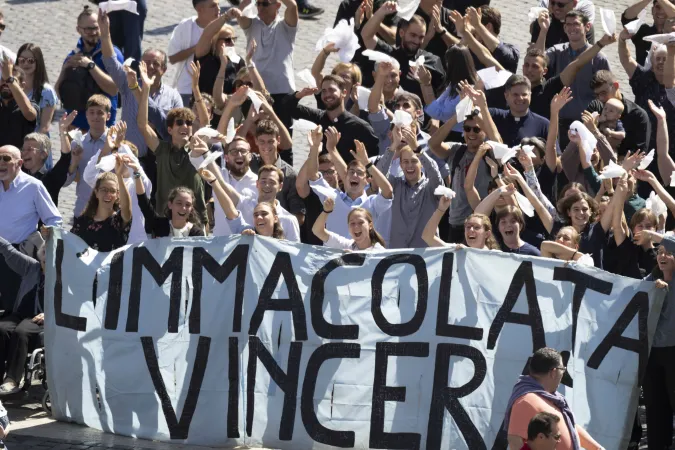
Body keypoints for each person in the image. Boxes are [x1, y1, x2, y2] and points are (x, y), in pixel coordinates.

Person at [98, 10, 183, 162]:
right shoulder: (128, 82)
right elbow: (110, 62)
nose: (150, 67)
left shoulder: (173, 96)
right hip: (129, 157)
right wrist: (105, 34)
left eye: (155, 64)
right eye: (146, 63)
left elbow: (177, 127)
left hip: (159, 160)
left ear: (164, 70)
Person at [137, 61, 208, 225]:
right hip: (165, 221)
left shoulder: (197, 148)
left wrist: (195, 88)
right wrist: (146, 89)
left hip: (196, 221)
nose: (185, 126)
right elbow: (142, 124)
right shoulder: (161, 149)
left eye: (189, 123)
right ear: (169, 129)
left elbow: (204, 123)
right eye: (180, 123)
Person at [504, 347, 603, 450]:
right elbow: (514, 441)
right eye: (563, 369)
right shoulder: (526, 401)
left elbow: (570, 427)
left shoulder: (552, 399)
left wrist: (597, 448)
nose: (563, 373)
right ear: (553, 372)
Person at [235, 0, 299, 134]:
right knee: (255, 136)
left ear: (278, 5)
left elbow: (293, 5)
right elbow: (239, 13)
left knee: (283, 138)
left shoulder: (285, 26)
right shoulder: (252, 25)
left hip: (282, 92)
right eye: (258, 3)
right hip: (256, 91)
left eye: (265, 3)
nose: (260, 7)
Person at [284, 74, 380, 163]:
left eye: (331, 90)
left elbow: (373, 159)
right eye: (324, 91)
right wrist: (300, 94)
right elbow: (286, 107)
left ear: (344, 93)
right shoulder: (317, 117)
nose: (327, 95)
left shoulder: (361, 127)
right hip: (318, 178)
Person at [82, 124, 152, 245]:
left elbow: (142, 178)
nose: (118, 160)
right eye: (116, 156)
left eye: (122, 156)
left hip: (135, 243)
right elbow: (88, 176)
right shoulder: (109, 183)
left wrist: (121, 145)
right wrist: (105, 150)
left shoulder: (138, 182)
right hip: (111, 242)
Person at [56, 6, 121, 131]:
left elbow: (114, 89)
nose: (93, 32)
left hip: (102, 130)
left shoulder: (112, 54)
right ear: (78, 30)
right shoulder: (73, 55)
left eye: (96, 28)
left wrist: (91, 66)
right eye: (88, 29)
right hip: (74, 128)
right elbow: (59, 94)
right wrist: (65, 68)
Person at [362, 7, 445, 101]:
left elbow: (441, 101)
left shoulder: (432, 61)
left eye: (421, 37)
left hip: (418, 114)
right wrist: (381, 12)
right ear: (401, 33)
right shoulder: (389, 55)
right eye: (413, 35)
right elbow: (366, 36)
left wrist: (427, 83)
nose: (416, 41)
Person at [641, 233, 675, 450]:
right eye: (659, 252)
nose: (662, 256)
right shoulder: (650, 281)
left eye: (669, 253)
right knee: (655, 406)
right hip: (652, 353)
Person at [0, 236, 44, 399]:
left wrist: (49, 314)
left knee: (21, 331)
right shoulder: (32, 267)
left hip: (42, 319)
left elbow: (69, 302)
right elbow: (8, 251)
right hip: (21, 313)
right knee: (2, 328)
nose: (47, 255)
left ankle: (12, 379)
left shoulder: (64, 275)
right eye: (45, 251)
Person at [0, 145, 62, 246]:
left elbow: (54, 219)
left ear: (19, 163)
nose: (1, 163)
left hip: (18, 253)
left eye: (6, 159)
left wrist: (49, 233)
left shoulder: (33, 186)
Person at [201, 168, 286, 239]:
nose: (259, 217)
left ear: (275, 218)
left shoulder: (285, 238)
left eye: (264, 214)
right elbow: (230, 211)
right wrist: (214, 182)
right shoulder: (247, 232)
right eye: (256, 215)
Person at [71, 155, 132, 252]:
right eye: (104, 190)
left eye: (112, 191)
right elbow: (69, 245)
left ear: (117, 195)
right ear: (96, 192)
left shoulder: (119, 221)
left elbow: (126, 208)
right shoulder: (83, 221)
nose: (108, 194)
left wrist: (119, 175)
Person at [63, 94, 111, 217]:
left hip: (109, 211)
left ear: (108, 116)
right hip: (82, 209)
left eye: (100, 112)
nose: (95, 116)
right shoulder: (77, 143)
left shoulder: (115, 144)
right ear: (86, 115)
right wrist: (74, 162)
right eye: (92, 112)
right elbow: (66, 182)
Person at [168, 0, 221, 106]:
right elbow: (172, 58)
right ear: (200, 9)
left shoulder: (223, 28)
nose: (218, 8)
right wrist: (199, 47)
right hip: (187, 90)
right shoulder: (185, 27)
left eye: (218, 4)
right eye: (213, 6)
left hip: (214, 90)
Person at [586, 70, 650, 158]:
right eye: (597, 95)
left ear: (616, 86)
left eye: (604, 93)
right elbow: (581, 138)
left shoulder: (638, 115)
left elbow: (639, 153)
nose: (601, 98)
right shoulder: (595, 108)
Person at [422, 194, 500, 249]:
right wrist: (441, 209)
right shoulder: (459, 250)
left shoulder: (495, 257)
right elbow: (427, 237)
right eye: (468, 227)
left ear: (487, 234)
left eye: (476, 227)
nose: (471, 230)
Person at [16, 43, 57, 139]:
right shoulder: (11, 87)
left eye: (30, 61)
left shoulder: (46, 91)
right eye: (22, 60)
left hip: (35, 146)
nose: (26, 64)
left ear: (38, 62)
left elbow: (44, 127)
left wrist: (28, 145)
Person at [313, 198, 386, 251]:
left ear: (370, 225)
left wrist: (355, 258)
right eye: (352, 223)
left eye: (361, 222)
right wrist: (326, 211)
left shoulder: (379, 251)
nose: (356, 227)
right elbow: (317, 231)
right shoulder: (346, 245)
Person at [21, 130, 72, 206]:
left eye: (29, 149)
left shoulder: (52, 178)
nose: (24, 153)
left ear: (43, 155)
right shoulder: (19, 174)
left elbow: (66, 158)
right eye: (23, 149)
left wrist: (63, 130)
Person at [136, 183, 206, 238]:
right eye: (179, 203)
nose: (183, 208)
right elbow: (144, 204)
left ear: (191, 209)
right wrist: (137, 174)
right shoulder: (159, 225)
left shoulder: (197, 234)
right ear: (170, 204)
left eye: (188, 205)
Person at [0, 58, 38, 149]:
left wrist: (10, 79)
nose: (7, 83)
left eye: (13, 80)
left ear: (22, 86)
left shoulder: (30, 105)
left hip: (18, 161)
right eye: (3, 79)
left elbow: (29, 114)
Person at [531, 0, 595, 50]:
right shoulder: (542, 21)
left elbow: (586, 56)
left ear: (574, 4)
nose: (556, 7)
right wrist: (543, 30)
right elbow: (534, 55)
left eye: (560, 5)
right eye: (553, 3)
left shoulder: (583, 26)